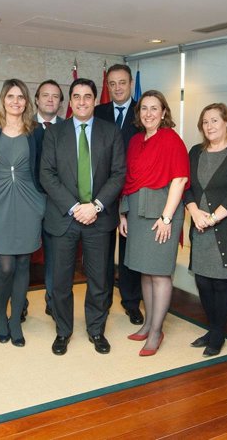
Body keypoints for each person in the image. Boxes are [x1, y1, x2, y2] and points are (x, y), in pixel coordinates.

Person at [40, 78, 126, 355]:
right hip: (64, 218)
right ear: (70, 101)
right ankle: (63, 331)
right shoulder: (55, 133)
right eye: (76, 96)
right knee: (61, 281)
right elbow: (47, 175)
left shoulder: (111, 132)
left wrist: (96, 206)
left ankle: (96, 330)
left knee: (99, 279)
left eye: (87, 96)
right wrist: (75, 207)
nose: (82, 101)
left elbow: (118, 174)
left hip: (98, 218)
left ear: (95, 100)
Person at [118, 91, 188, 356]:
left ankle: (157, 331)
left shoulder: (171, 139)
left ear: (163, 112)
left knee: (159, 273)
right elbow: (128, 180)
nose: (148, 113)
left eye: (154, 108)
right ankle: (148, 324)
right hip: (137, 215)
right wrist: (123, 214)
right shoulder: (135, 141)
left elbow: (180, 180)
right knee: (145, 273)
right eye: (144, 108)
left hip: (162, 216)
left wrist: (167, 218)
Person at [0, 79, 45, 347]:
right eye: (10, 96)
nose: (15, 101)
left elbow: (42, 166)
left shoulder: (35, 130)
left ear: (27, 102)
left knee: (24, 263)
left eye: (20, 97)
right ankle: (0, 316)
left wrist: (44, 199)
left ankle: (15, 319)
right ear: (3, 99)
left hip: (29, 201)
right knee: (5, 266)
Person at [183, 103, 227, 357]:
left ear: (226, 123)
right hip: (199, 228)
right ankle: (213, 329)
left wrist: (212, 218)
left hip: (226, 229)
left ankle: (218, 334)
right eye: (205, 122)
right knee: (202, 281)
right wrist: (194, 212)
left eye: (214, 120)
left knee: (221, 284)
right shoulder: (195, 152)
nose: (209, 126)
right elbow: (187, 186)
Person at [95, 64, 144, 325]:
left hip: (133, 191)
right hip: (103, 192)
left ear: (131, 84)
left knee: (129, 251)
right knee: (102, 251)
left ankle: (131, 302)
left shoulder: (143, 111)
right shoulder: (98, 112)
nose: (117, 88)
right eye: (112, 83)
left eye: (122, 82)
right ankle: (102, 302)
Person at [35, 79, 64, 317]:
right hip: (28, 203)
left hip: (57, 204)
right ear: (36, 100)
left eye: (55, 96)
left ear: (61, 102)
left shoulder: (69, 127)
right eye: (45, 95)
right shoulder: (22, 126)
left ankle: (53, 302)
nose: (50, 100)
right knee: (20, 259)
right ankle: (20, 306)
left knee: (56, 258)